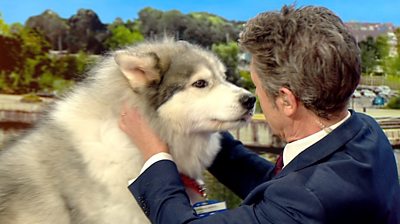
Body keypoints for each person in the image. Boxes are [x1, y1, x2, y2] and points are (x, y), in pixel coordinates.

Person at [119, 5, 400, 224]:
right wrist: (202, 127)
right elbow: (278, 185)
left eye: (256, 86)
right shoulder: (365, 130)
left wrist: (156, 156)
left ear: (287, 101)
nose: (253, 94)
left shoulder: (308, 202)